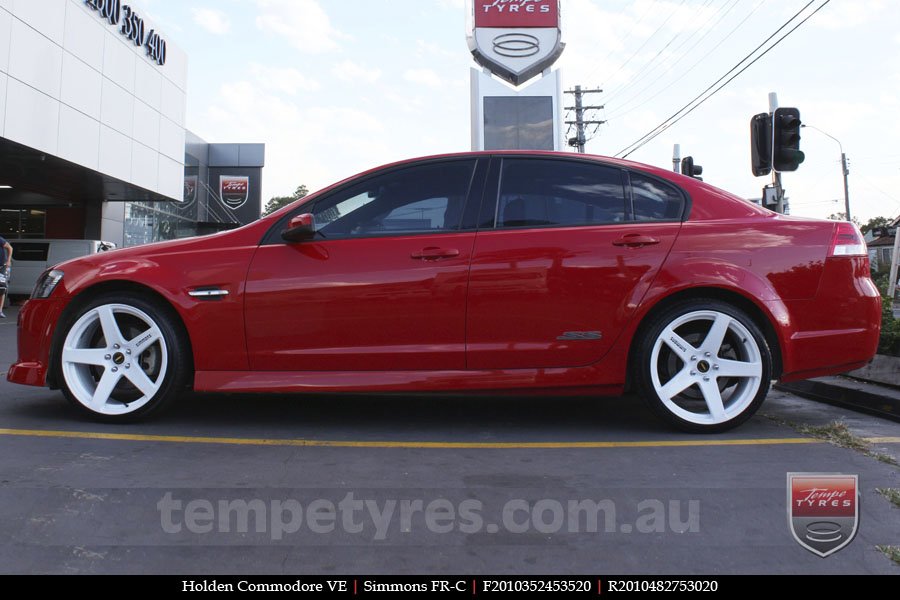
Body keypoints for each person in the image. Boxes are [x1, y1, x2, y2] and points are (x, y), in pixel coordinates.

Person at [0, 236, 11, 318]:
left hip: (2, 267)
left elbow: (10, 248)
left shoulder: (0, 240)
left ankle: (0, 311)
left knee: (2, 288)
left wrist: (8, 260)